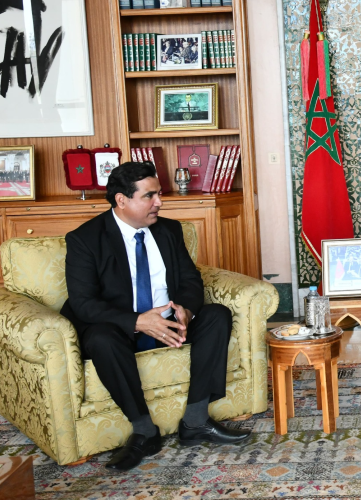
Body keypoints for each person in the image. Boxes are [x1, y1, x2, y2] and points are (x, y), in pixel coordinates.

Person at [60, 162, 250, 472]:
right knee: (101, 338)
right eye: (149, 196)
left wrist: (186, 311)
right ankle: (145, 431)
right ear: (122, 200)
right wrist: (138, 321)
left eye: (159, 194)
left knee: (217, 315)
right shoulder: (85, 239)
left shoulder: (168, 230)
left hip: (171, 323)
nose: (159, 202)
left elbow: (190, 280)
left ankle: (195, 421)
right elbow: (83, 303)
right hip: (122, 329)